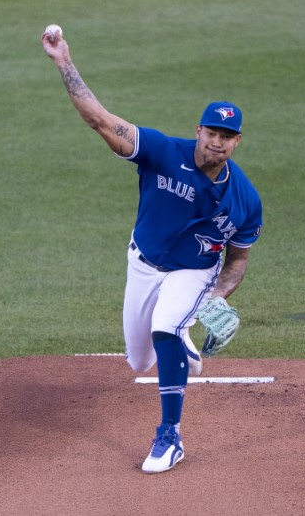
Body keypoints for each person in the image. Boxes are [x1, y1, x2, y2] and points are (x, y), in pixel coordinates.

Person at [42, 28, 263, 474]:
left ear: (237, 142)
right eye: (212, 131)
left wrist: (218, 296)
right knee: (139, 360)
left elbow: (237, 259)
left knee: (164, 328)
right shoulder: (162, 152)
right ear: (198, 130)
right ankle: (182, 341)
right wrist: (63, 60)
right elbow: (100, 120)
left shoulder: (245, 200)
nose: (217, 141)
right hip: (143, 263)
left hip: (194, 272)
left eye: (228, 135)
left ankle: (170, 436)